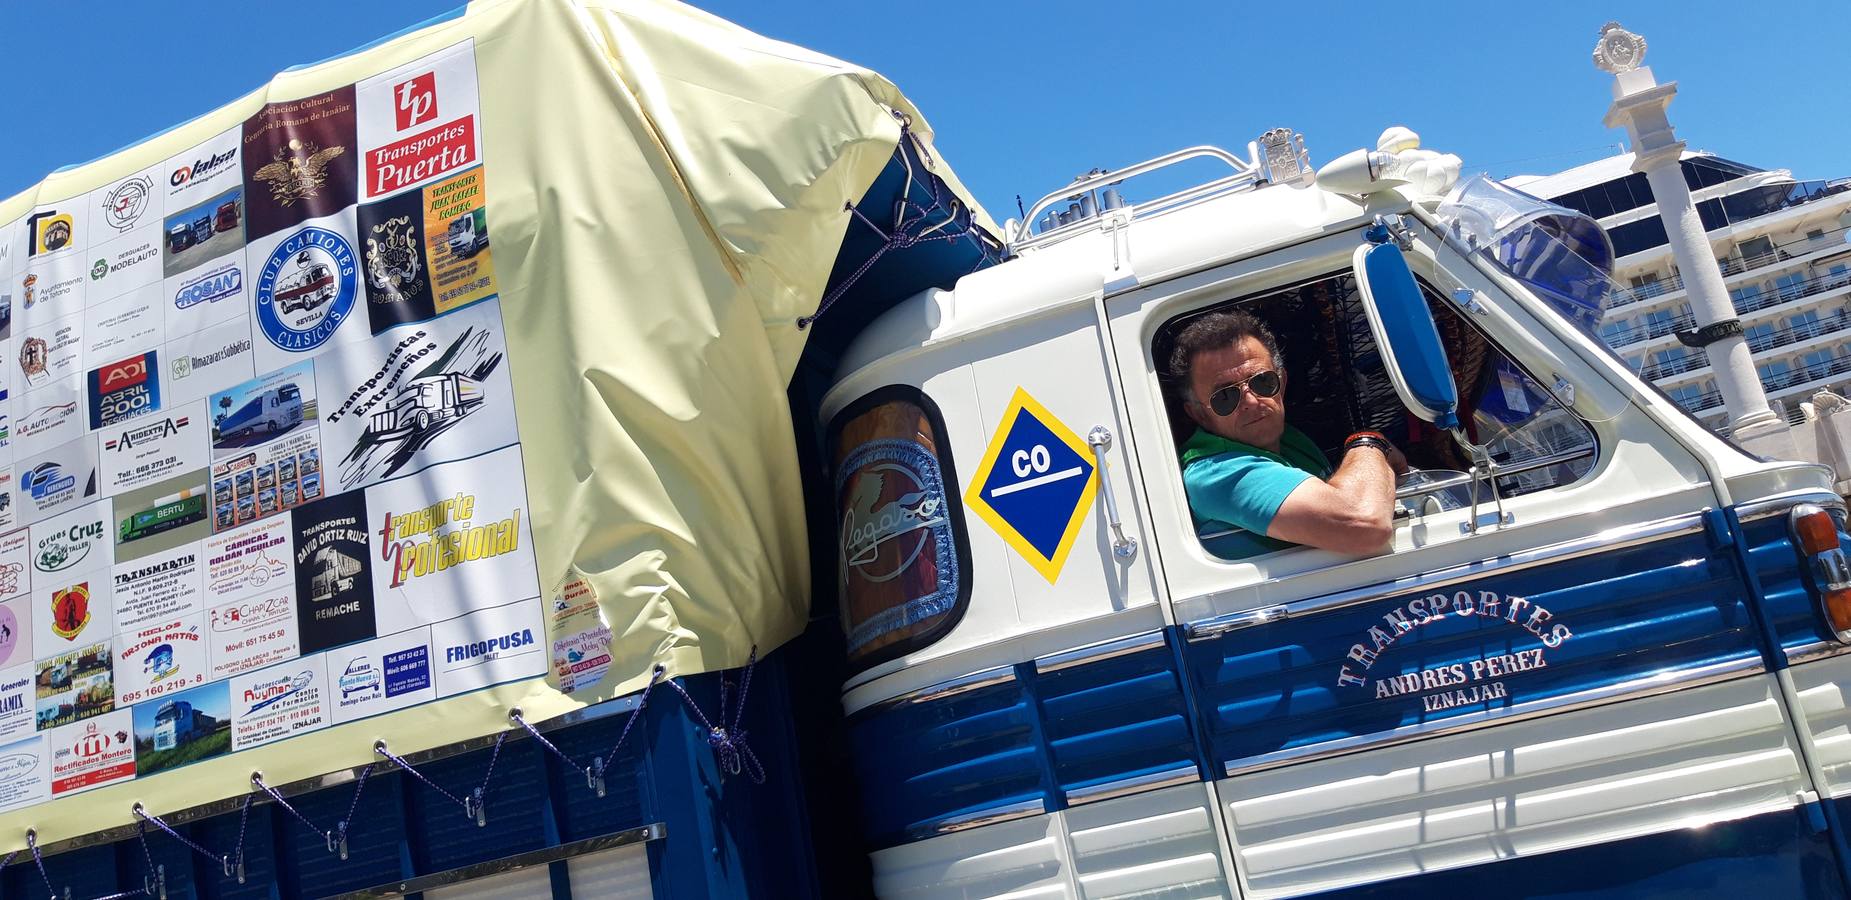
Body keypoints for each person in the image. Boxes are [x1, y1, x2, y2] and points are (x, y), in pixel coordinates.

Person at [1170, 310, 1405, 559]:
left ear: (1281, 383)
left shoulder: (1289, 439)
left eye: (1262, 382)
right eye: (1225, 397)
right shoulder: (1215, 472)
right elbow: (1364, 525)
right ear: (1198, 414)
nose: (1251, 400)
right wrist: (1368, 443)